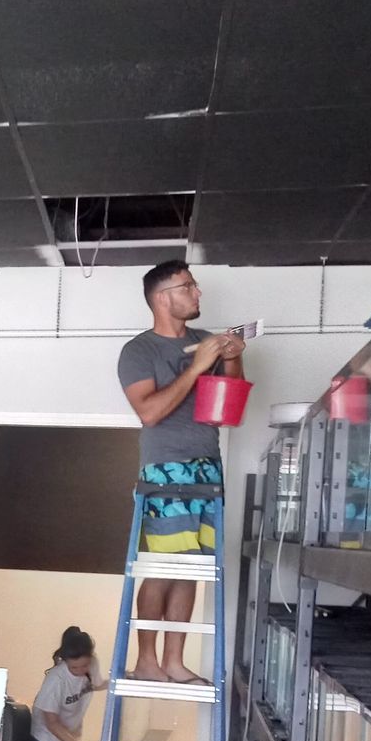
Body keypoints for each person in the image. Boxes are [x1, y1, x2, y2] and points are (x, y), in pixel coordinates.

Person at [116, 260, 247, 684]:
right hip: (164, 470)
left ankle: (174, 661)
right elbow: (149, 413)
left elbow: (227, 413)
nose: (197, 293)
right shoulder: (139, 351)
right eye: (187, 286)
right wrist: (196, 367)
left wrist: (232, 360)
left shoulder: (204, 340)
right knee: (162, 566)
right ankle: (146, 661)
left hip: (207, 469)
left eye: (195, 285)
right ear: (162, 298)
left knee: (191, 567)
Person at [30, 626, 105, 741]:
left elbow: (97, 684)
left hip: (68, 737)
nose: (80, 671)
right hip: (46, 737)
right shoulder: (56, 679)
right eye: (74, 668)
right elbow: (52, 723)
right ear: (65, 661)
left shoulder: (92, 664)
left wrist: (120, 680)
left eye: (84, 665)